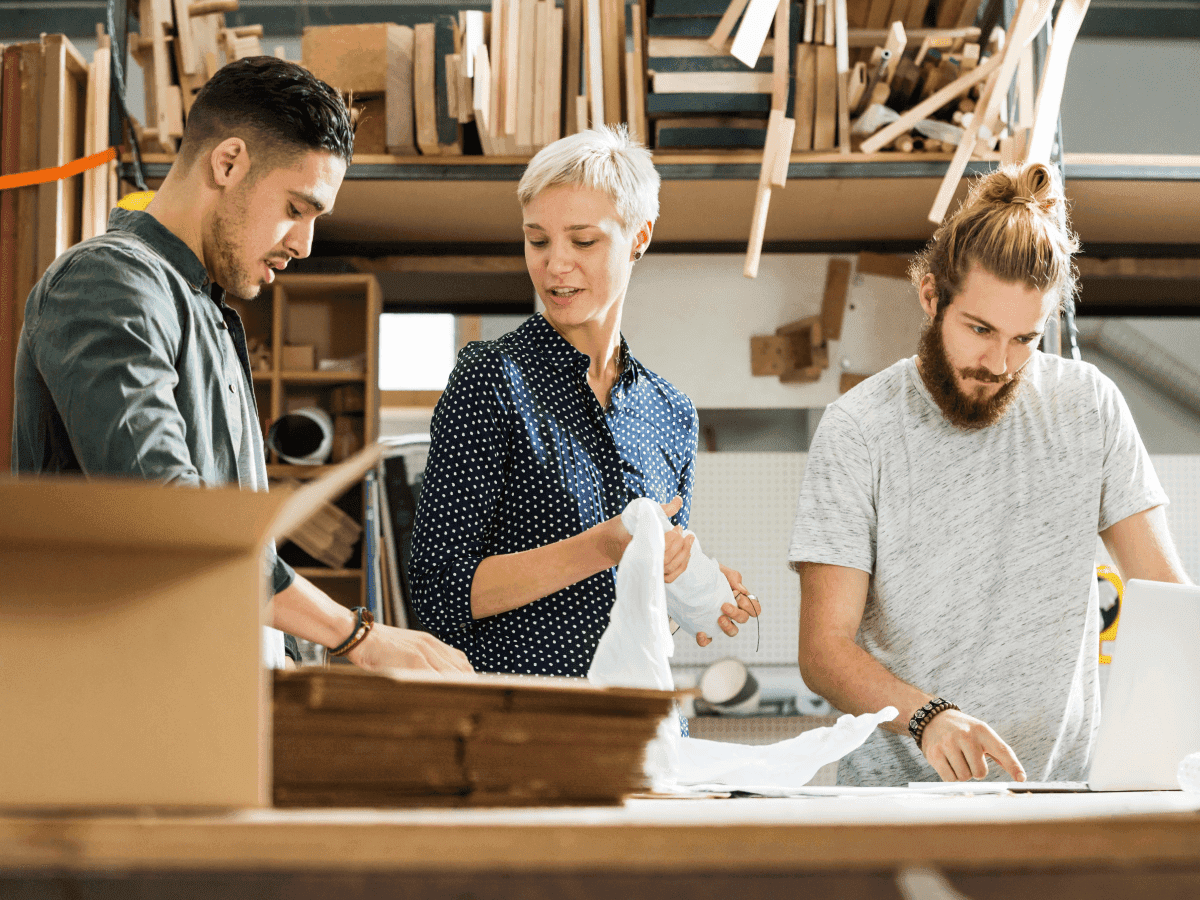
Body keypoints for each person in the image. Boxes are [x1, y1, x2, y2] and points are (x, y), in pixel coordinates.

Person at [12, 56, 471, 676]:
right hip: (114, 698)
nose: (304, 244)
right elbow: (171, 519)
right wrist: (355, 635)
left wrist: (288, 660)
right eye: (297, 208)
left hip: (199, 694)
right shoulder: (107, 281)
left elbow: (238, 551)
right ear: (227, 162)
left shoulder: (210, 314)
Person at [790, 162, 1191, 786]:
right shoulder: (858, 429)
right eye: (979, 330)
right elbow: (823, 651)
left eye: (1024, 338)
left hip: (1056, 796)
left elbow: (1166, 595)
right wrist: (927, 717)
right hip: (897, 806)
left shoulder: (1089, 408)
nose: (999, 363)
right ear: (931, 297)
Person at [410, 126, 760, 677]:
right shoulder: (492, 379)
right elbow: (438, 594)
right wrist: (602, 547)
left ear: (639, 237)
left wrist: (692, 588)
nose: (555, 264)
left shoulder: (670, 413)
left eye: (583, 241)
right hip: (524, 717)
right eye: (538, 240)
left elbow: (639, 609)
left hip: (638, 716)